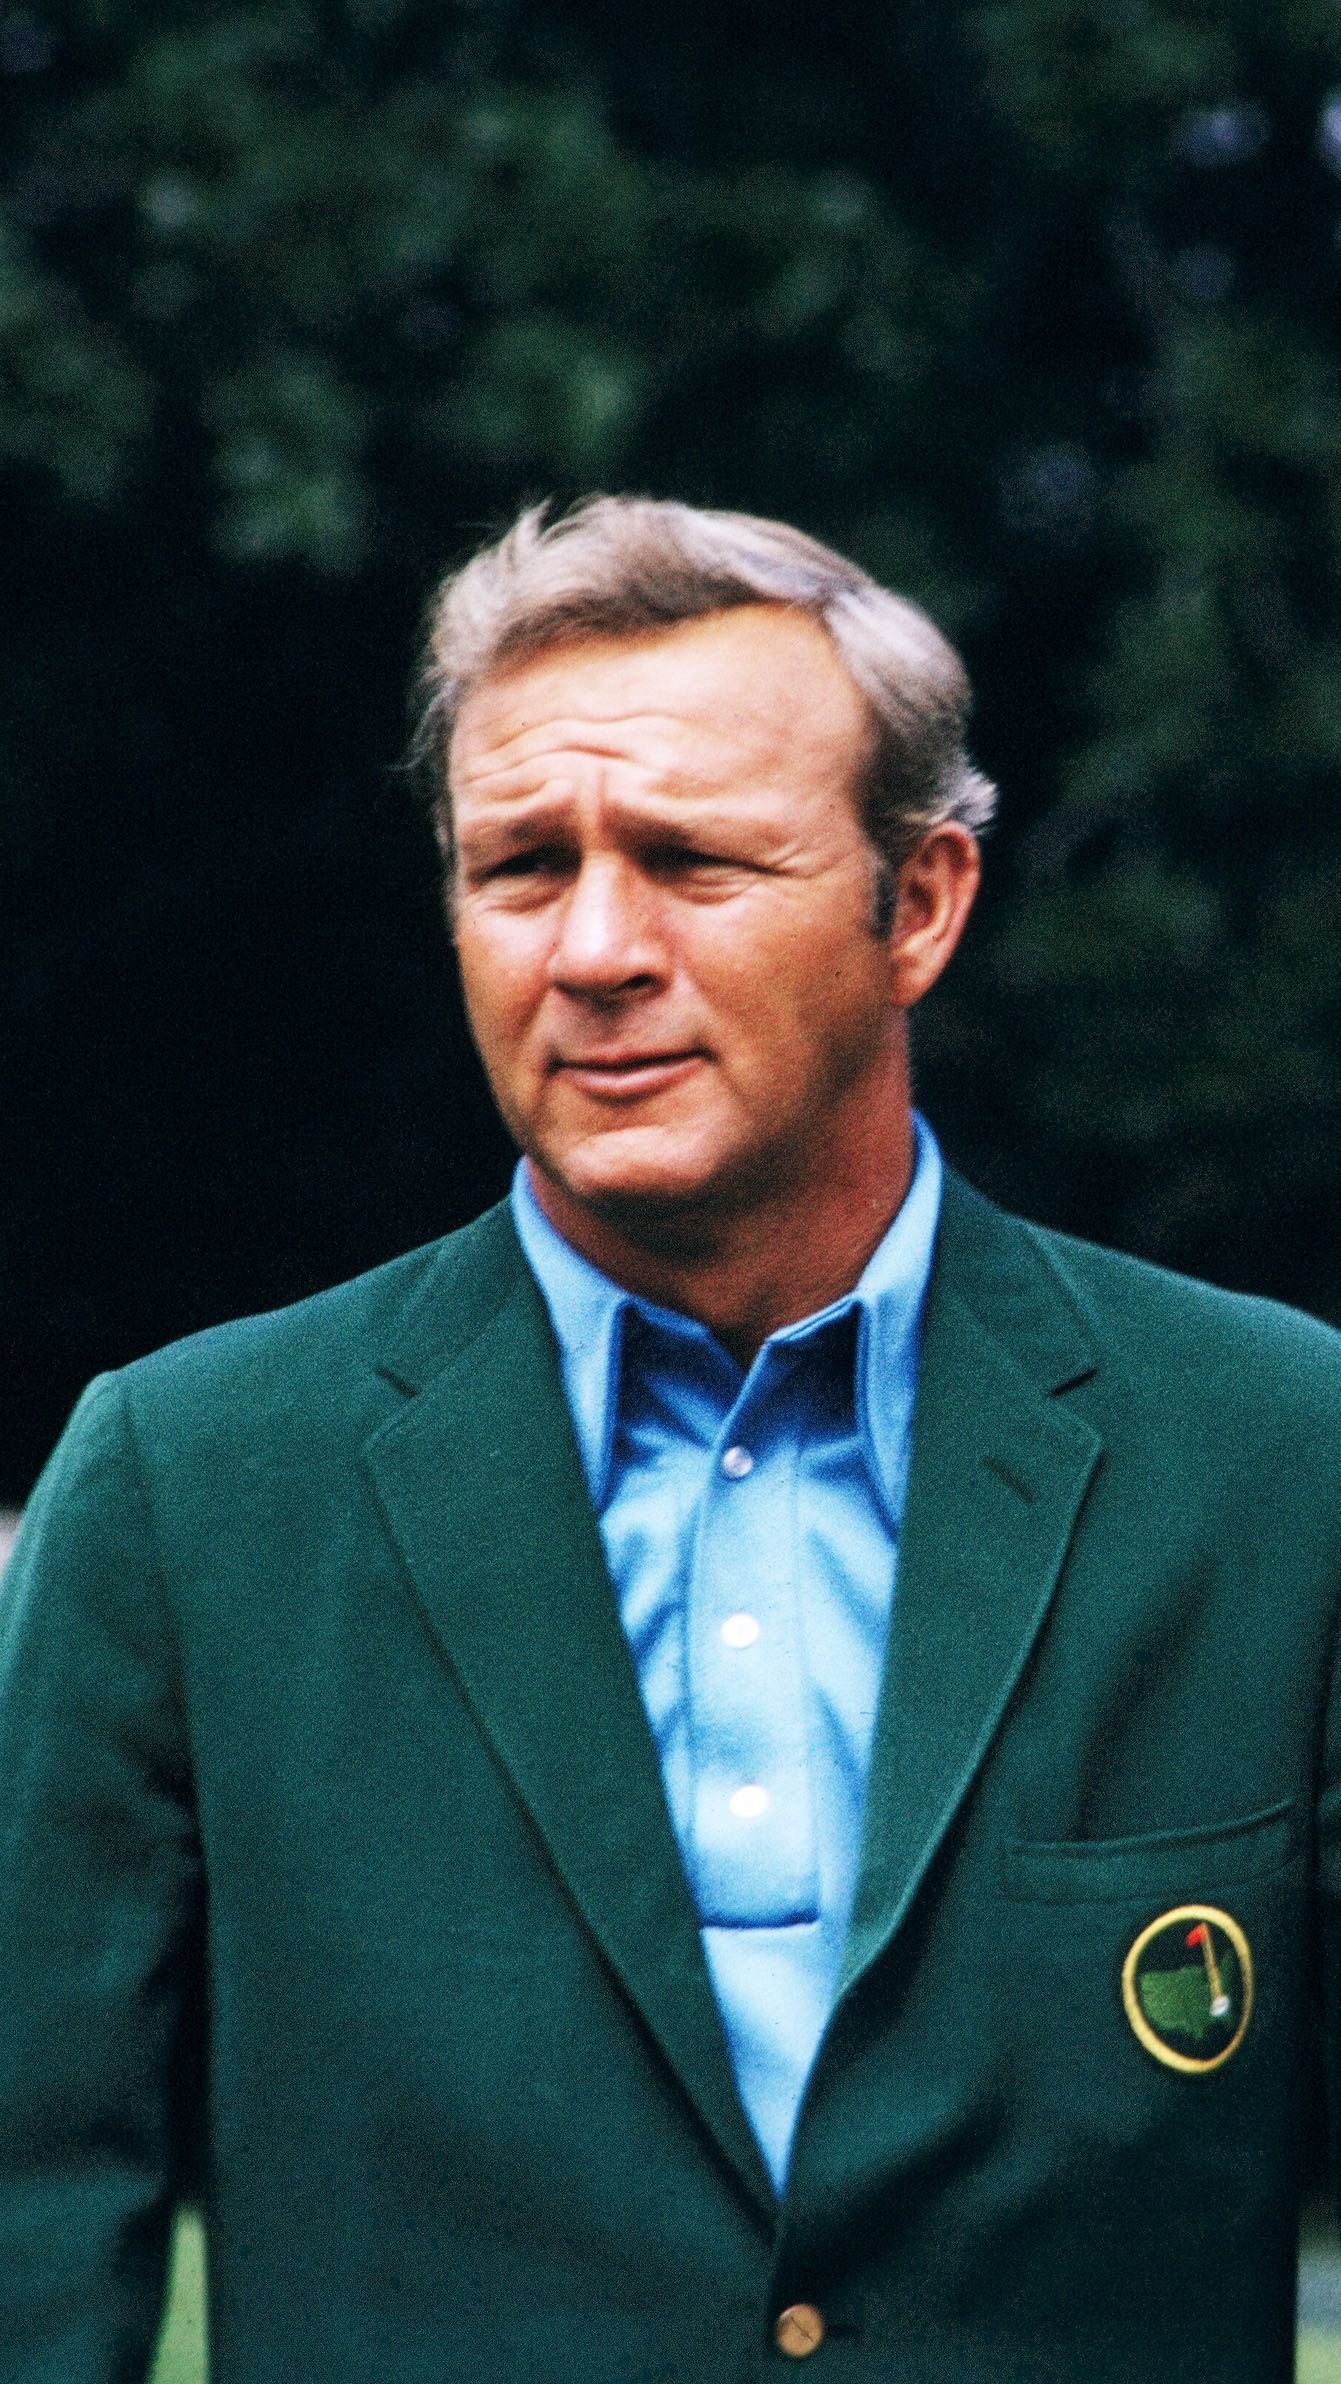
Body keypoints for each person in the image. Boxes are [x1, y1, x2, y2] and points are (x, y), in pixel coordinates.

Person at [2, 495, 1340, 2384]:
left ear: (919, 905)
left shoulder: (1278, 1460)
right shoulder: (191, 1486)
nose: (594, 948)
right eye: (520, 866)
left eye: (693, 861)